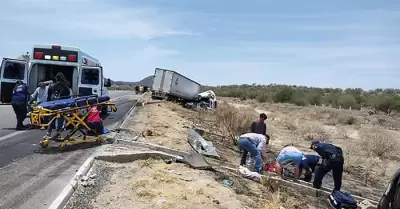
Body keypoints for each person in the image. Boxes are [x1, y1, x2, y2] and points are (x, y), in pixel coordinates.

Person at [44, 72, 73, 139]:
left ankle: (48, 133)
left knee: (51, 119)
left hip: (53, 105)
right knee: (60, 119)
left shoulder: (51, 86)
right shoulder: (66, 87)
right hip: (61, 106)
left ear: (56, 78)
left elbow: (48, 98)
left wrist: (48, 105)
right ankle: (58, 133)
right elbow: (67, 99)